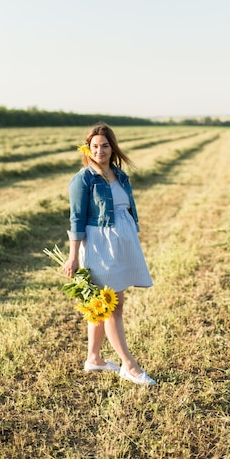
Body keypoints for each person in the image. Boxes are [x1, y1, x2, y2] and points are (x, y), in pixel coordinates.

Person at [62, 122, 155, 386]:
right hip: (99, 246)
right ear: (87, 149)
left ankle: (94, 358)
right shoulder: (83, 179)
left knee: (102, 306)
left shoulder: (119, 175)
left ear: (112, 147)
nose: (100, 151)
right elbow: (76, 219)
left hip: (120, 244)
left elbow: (125, 208)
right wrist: (73, 257)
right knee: (110, 305)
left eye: (104, 145)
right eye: (95, 146)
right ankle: (129, 365)